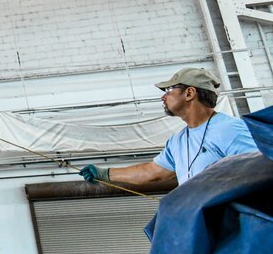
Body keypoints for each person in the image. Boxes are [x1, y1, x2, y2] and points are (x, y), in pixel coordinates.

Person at [79, 67, 257, 190]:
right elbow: (152, 172)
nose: (163, 97)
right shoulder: (178, 141)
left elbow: (258, 172)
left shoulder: (229, 130)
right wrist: (104, 173)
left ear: (189, 93)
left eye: (169, 90)